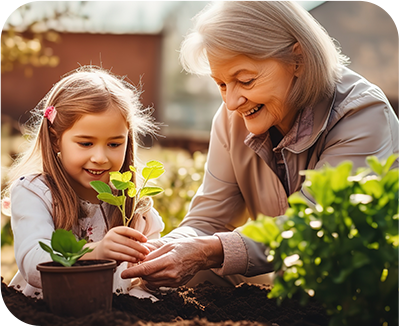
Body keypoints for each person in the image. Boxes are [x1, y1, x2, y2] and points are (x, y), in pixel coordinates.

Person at [121, 0, 399, 288]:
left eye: (246, 80)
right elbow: (208, 220)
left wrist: (209, 251)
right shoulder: (232, 119)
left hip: (357, 292)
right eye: (221, 84)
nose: (231, 102)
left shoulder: (361, 113)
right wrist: (162, 251)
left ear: (298, 61)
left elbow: (312, 228)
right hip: (289, 285)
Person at [6, 66, 164, 299]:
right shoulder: (35, 194)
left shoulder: (132, 206)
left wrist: (152, 274)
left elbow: (148, 277)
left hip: (115, 313)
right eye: (86, 143)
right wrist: (95, 251)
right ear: (55, 139)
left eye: (114, 144)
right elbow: (33, 262)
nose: (100, 158)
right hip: (44, 310)